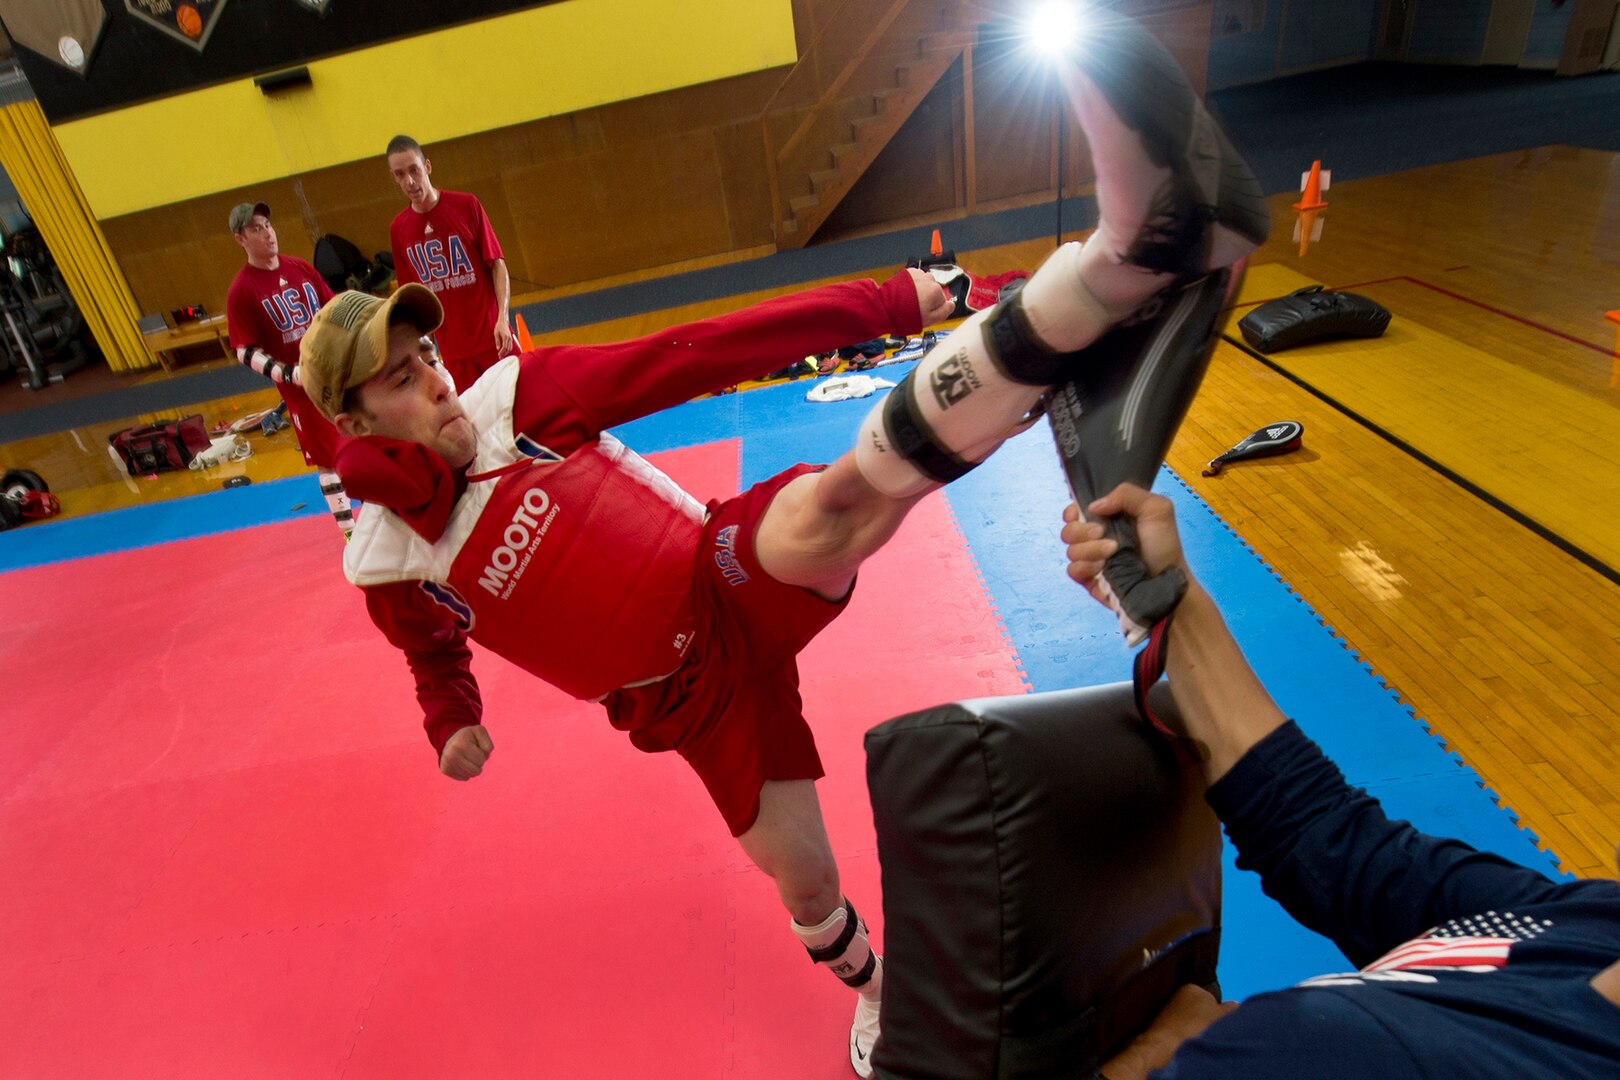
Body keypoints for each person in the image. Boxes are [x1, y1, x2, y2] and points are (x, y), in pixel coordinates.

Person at [300, 16, 1266, 1075]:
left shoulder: (511, 403)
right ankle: (876, 992)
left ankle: (1104, 278)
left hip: (718, 578)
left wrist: (893, 300)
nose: (434, 379)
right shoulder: (389, 562)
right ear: (352, 423)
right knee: (804, 881)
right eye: (400, 378)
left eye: (427, 353)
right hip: (687, 703)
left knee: (838, 503)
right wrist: (452, 718)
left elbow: (705, 350)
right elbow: (428, 653)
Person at [1061, 485, 1620, 1079]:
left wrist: (1151, 1059)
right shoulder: (1598, 927)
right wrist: (1168, 591)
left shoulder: (1336, 1056)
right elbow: (1333, 844)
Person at [223, 201, 352, 536]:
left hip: (337, 376)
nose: (267, 233)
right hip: (302, 391)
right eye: (256, 228)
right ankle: (349, 531)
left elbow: (333, 309)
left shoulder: (301, 269)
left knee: (363, 439)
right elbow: (244, 351)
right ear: (240, 239)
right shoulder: (242, 291)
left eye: (268, 225)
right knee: (328, 458)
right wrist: (289, 373)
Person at [385, 134, 517, 390]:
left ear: (427, 166)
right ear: (394, 178)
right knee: (474, 423)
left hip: (493, 339)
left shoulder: (467, 205)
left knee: (522, 404)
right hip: (454, 354)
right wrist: (422, 344)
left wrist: (502, 317)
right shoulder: (398, 229)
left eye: (414, 169)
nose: (410, 181)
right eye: (400, 174)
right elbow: (412, 295)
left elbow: (497, 264)